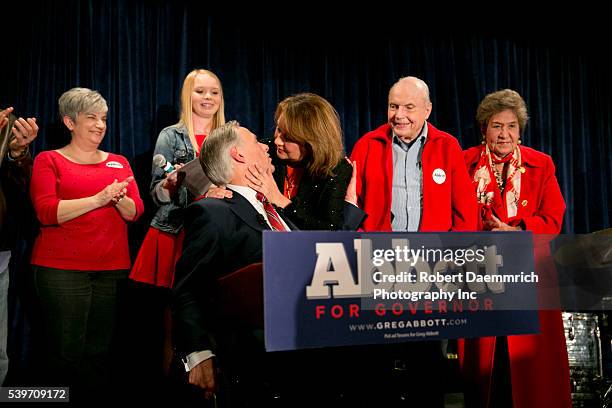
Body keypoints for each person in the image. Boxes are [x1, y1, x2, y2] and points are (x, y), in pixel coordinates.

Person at [349, 76, 477, 405]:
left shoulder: (448, 146)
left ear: (428, 110)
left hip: (431, 268)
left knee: (428, 363)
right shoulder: (367, 144)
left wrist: (451, 260)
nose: (400, 114)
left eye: (409, 107)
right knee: (376, 361)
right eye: (394, 106)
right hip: (380, 267)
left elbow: (465, 212)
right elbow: (353, 206)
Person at [459, 89, 571, 407]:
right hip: (484, 275)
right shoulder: (464, 164)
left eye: (511, 126)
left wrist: (517, 230)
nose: (504, 134)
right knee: (488, 371)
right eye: (497, 125)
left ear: (520, 130)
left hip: (531, 276)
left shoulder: (541, 164)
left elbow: (552, 219)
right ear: (484, 129)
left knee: (532, 374)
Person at [172, 120, 297, 406]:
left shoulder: (281, 212)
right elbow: (187, 290)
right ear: (238, 154)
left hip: (298, 357)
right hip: (253, 369)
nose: (267, 146)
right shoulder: (213, 211)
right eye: (256, 142)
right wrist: (199, 355)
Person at [29, 88, 144, 396]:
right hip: (61, 272)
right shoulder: (48, 159)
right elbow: (46, 212)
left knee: (99, 353)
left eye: (103, 118)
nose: (99, 125)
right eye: (91, 117)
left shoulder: (119, 162)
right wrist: (99, 198)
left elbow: (135, 213)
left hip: (111, 271)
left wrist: (117, 199)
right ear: (70, 122)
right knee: (65, 354)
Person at [128, 69, 225, 379]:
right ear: (188, 95)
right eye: (200, 92)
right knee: (176, 318)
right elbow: (155, 194)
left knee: (217, 313)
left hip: (218, 233)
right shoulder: (171, 136)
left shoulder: (230, 136)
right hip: (176, 232)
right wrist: (170, 184)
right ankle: (172, 384)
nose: (207, 98)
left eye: (214, 92)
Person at [246, 92, 357, 230]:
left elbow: (330, 231)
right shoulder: (267, 150)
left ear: (313, 143)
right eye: (278, 130)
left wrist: (278, 199)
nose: (277, 140)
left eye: (288, 138)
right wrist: (217, 189)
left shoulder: (336, 169)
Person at [0, 107, 38, 385]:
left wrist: (17, 154)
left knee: (0, 354)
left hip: (1, 258)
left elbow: (22, 195)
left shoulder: (7, 126)